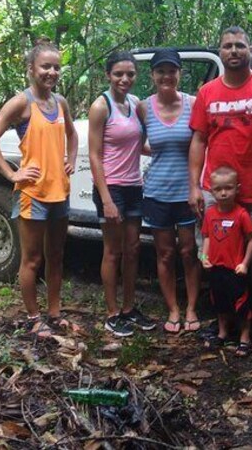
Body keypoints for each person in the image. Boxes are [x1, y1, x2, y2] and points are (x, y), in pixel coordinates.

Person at [188, 26, 252, 347]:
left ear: (250, 51)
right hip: (214, 193)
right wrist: (194, 186)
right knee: (215, 258)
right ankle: (225, 320)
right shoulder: (207, 92)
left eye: (240, 46)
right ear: (220, 52)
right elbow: (199, 140)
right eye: (228, 46)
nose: (234, 51)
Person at [0, 37, 79, 338]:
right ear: (31, 69)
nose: (51, 72)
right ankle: (34, 317)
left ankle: (54, 311)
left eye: (56, 67)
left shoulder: (60, 103)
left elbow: (72, 136)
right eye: (45, 66)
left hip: (59, 191)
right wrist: (12, 173)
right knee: (32, 258)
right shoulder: (22, 102)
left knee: (57, 255)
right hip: (32, 194)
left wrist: (70, 159)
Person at [88, 51, 156, 337]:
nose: (124, 79)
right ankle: (112, 312)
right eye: (118, 74)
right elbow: (94, 155)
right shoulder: (101, 106)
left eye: (130, 74)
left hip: (133, 186)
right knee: (113, 251)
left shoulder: (135, 104)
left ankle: (129, 308)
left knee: (133, 250)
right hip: (111, 187)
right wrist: (105, 199)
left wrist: (169, 152)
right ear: (108, 75)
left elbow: (138, 145)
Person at [136, 48, 201, 334]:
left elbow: (203, 143)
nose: (166, 76)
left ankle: (191, 308)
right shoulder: (143, 107)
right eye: (161, 71)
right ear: (152, 75)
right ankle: (173, 308)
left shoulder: (193, 104)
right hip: (157, 192)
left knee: (189, 252)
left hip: (187, 192)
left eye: (171, 71)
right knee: (164, 254)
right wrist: (161, 152)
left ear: (179, 74)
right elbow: (135, 141)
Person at [199, 166, 252, 357]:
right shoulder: (210, 214)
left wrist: (245, 264)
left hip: (235, 269)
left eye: (228, 188)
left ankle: (245, 337)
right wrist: (203, 258)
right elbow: (206, 237)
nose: (223, 193)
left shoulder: (241, 214)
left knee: (241, 304)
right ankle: (222, 333)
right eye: (218, 189)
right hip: (216, 268)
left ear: (237, 188)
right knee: (220, 302)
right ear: (211, 190)